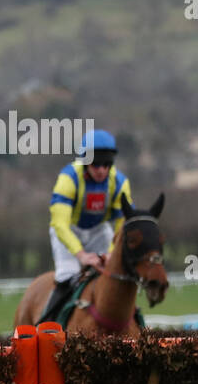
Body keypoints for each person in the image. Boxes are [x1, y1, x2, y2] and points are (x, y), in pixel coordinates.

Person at [38, 129, 132, 323]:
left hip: (99, 231)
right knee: (68, 276)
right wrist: (81, 255)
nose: (101, 170)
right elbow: (60, 224)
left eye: (107, 164)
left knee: (115, 273)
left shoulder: (120, 182)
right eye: (95, 164)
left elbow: (123, 223)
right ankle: (48, 321)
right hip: (68, 233)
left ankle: (136, 320)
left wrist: (113, 253)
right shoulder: (68, 178)